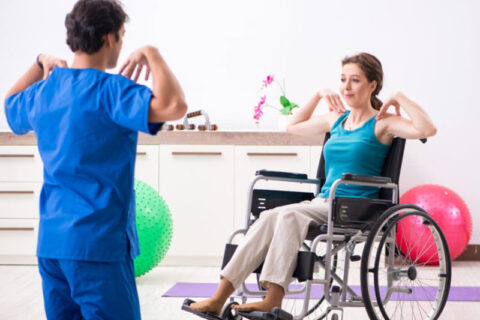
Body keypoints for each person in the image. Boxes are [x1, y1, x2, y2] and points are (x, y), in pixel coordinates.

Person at [190, 52, 437, 315]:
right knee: (268, 217)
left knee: (287, 215)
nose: (346, 87)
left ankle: (273, 297)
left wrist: (399, 96)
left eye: (355, 80)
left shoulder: (383, 123)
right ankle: (219, 297)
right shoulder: (336, 120)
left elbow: (427, 129)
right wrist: (319, 94)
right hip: (323, 202)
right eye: (343, 80)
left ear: (372, 85)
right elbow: (291, 125)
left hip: (355, 206)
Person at [3, 0, 187, 319]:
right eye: (122, 35)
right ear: (109, 39)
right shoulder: (111, 91)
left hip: (52, 247)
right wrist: (153, 55)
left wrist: (39, 62)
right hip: (97, 246)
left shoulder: (45, 90)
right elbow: (174, 106)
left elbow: (9, 106)